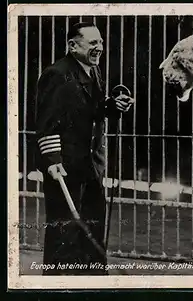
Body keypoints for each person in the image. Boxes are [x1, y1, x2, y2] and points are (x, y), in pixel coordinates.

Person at [34, 22, 135, 275]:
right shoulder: (57, 74)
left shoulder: (92, 71)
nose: (99, 48)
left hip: (91, 167)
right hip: (65, 168)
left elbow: (93, 110)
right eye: (93, 43)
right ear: (72, 45)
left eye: (100, 42)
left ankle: (92, 280)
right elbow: (47, 122)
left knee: (93, 227)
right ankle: (58, 284)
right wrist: (53, 160)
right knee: (64, 232)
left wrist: (114, 105)